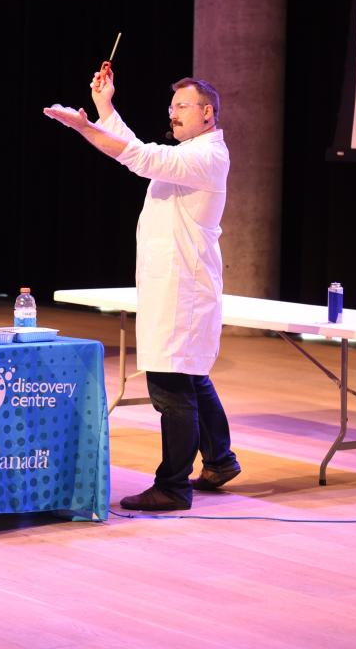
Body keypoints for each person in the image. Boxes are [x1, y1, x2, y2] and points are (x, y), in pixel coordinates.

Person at [43, 68, 240, 511]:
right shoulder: (190, 153)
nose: (173, 114)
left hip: (183, 291)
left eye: (182, 107)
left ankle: (173, 486)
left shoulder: (206, 156)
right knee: (189, 375)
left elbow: (137, 156)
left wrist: (86, 127)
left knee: (172, 387)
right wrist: (104, 109)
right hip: (174, 287)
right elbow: (137, 150)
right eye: (171, 108)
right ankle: (220, 461)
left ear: (208, 113)